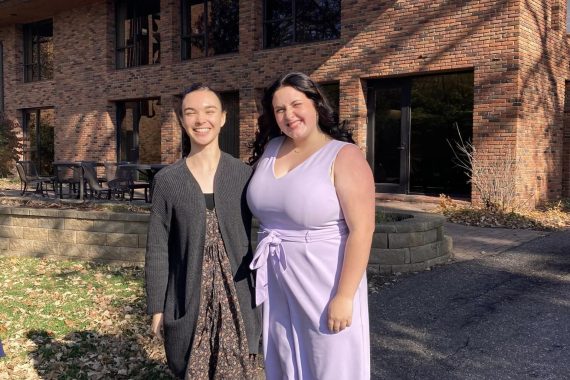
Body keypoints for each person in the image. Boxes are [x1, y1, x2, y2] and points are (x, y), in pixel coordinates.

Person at [247, 72, 375, 379]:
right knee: (282, 358)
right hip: (277, 281)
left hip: (325, 283)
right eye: (279, 110)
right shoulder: (272, 149)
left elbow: (362, 230)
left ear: (315, 104)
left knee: (328, 364)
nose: (288, 115)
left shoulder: (344, 156)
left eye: (295, 104)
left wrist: (344, 297)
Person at [145, 84, 261, 379]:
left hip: (238, 304)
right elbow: (157, 248)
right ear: (182, 120)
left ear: (223, 117)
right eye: (190, 112)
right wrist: (157, 306)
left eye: (209, 111)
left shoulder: (244, 175)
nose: (201, 120)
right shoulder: (167, 181)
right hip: (188, 302)